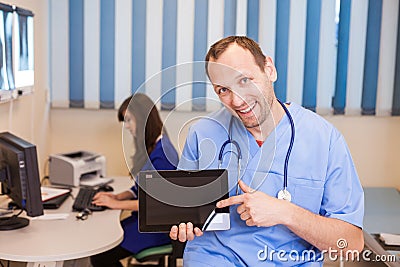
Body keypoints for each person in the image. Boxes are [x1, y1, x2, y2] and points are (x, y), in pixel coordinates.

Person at [169, 36, 364, 266]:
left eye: (244, 80)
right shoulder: (202, 134)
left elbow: (351, 244)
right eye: (223, 90)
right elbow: (182, 214)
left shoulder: (324, 139)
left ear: (269, 70)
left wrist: (286, 213)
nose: (237, 100)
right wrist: (182, 224)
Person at [90, 93, 179, 267]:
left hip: (156, 227)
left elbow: (157, 204)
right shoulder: (151, 146)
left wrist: (116, 205)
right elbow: (139, 188)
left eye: (129, 120)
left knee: (101, 255)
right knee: (101, 242)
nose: (128, 127)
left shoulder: (163, 155)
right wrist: (118, 197)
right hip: (144, 220)